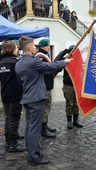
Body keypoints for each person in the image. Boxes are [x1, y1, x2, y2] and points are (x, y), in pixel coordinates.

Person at [15, 36, 72, 166]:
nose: (35, 48)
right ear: (29, 48)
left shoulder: (19, 63)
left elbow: (20, 82)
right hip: (36, 98)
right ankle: (34, 156)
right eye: (34, 46)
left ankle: (31, 151)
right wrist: (65, 61)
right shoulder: (33, 62)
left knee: (29, 127)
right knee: (35, 128)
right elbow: (50, 66)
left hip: (27, 97)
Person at [0, 40, 26, 152]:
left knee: (8, 118)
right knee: (14, 119)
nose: (18, 49)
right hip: (15, 94)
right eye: (16, 48)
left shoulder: (2, 62)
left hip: (5, 93)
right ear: (12, 49)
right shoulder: (17, 62)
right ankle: (13, 144)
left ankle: (8, 140)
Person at [54, 46, 83, 129]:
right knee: (69, 103)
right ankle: (69, 121)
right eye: (72, 51)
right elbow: (56, 61)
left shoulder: (79, 59)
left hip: (77, 84)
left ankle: (76, 121)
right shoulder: (66, 60)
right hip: (68, 85)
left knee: (76, 103)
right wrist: (65, 51)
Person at [37, 39, 56, 138]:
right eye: (47, 46)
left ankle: (45, 125)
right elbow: (43, 72)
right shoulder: (41, 57)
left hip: (47, 85)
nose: (49, 47)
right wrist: (53, 70)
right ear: (42, 47)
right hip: (44, 86)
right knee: (46, 107)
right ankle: (43, 129)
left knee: (47, 107)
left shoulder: (45, 56)